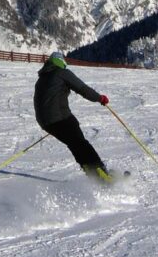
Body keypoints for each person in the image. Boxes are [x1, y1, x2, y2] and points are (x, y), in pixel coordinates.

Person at [33, 51, 114, 183]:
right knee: (81, 143)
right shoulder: (62, 73)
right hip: (60, 118)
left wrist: (51, 122)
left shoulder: (41, 78)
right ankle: (101, 174)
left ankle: (91, 172)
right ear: (60, 62)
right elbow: (83, 89)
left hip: (46, 122)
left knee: (74, 143)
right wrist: (100, 98)